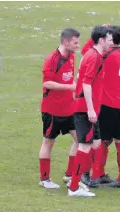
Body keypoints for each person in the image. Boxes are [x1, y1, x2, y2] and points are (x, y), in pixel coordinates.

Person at [66, 25, 113, 197]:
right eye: (109, 39)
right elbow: (86, 83)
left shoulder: (93, 55)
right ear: (101, 40)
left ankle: (76, 181)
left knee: (95, 143)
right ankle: (74, 187)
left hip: (89, 108)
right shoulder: (94, 57)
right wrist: (91, 109)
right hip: (86, 108)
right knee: (84, 146)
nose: (111, 42)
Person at [90, 25, 120, 189]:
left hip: (108, 103)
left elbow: (90, 51)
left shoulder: (105, 55)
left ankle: (96, 176)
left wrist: (99, 33)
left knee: (101, 140)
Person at [38, 28, 80, 189]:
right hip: (52, 110)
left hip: (69, 109)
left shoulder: (72, 57)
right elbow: (47, 83)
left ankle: (70, 175)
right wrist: (70, 87)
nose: (77, 46)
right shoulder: (52, 59)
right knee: (48, 142)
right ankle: (44, 179)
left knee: (80, 140)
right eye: (75, 42)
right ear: (65, 42)